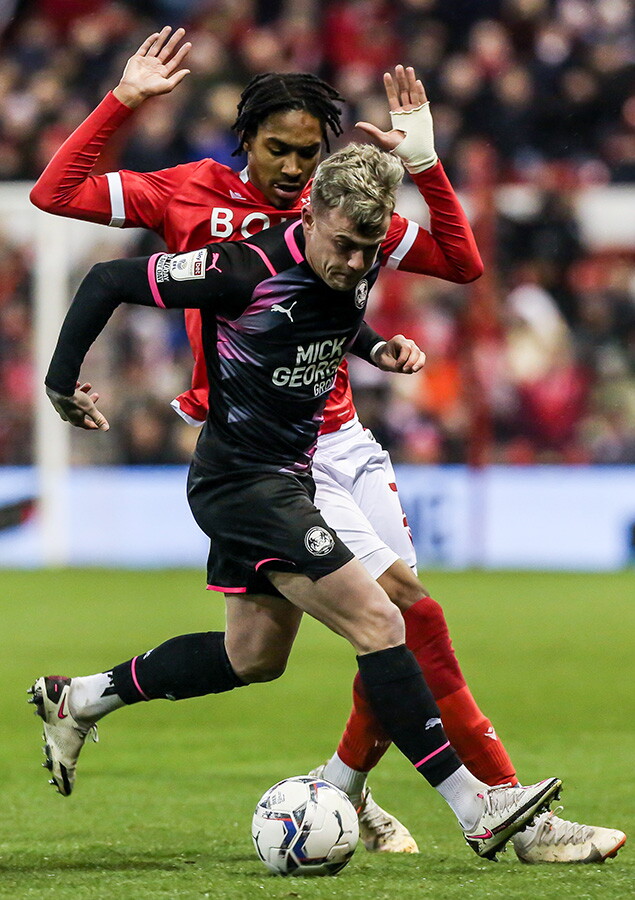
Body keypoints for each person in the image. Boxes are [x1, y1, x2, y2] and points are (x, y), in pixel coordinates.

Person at [29, 30, 626, 863]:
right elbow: (60, 200)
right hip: (248, 454)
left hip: (322, 442)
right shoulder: (209, 216)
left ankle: (87, 697)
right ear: (248, 144)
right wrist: (124, 100)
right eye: (277, 150)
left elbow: (440, 266)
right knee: (396, 615)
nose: (291, 169)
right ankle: (474, 803)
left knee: (255, 656)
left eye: (308, 154)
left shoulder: (352, 219)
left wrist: (415, 197)